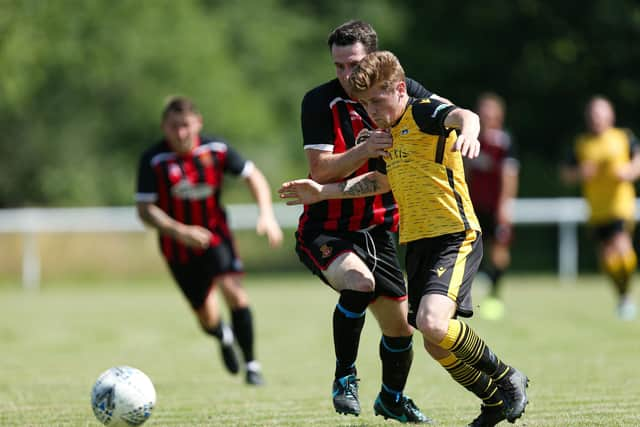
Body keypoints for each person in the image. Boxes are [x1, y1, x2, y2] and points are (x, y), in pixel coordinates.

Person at [280, 51, 530, 427]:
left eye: (378, 101)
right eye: (364, 105)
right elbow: (379, 182)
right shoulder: (385, 134)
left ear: (399, 89)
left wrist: (472, 133)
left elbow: (466, 116)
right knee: (434, 341)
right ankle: (492, 400)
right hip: (417, 243)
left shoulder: (424, 112)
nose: (371, 111)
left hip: (454, 235)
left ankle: (508, 377)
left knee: (431, 323)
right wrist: (322, 192)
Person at [295, 20, 445, 423]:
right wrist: (365, 150)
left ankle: (392, 399)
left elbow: (443, 112)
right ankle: (345, 376)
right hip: (326, 227)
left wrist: (467, 123)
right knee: (359, 284)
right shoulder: (319, 102)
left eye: (353, 64)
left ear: (374, 60)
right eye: (338, 66)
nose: (346, 75)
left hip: (378, 229)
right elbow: (320, 172)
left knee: (401, 332)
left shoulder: (401, 89)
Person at [135, 96, 283, 385]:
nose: (181, 133)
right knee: (206, 318)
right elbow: (145, 210)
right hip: (176, 247)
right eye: (174, 127)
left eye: (186, 126)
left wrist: (266, 214)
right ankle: (222, 335)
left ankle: (252, 365)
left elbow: (254, 177)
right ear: (164, 127)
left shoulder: (216, 150)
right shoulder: (153, 160)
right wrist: (181, 232)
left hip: (217, 237)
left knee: (236, 294)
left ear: (198, 124)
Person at [561, 95, 640, 320]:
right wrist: (579, 173)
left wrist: (630, 171)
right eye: (593, 115)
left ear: (610, 116)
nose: (596, 119)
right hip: (596, 210)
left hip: (620, 206)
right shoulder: (582, 144)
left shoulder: (623, 137)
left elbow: (637, 160)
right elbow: (566, 173)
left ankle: (625, 298)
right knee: (608, 261)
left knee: (623, 252)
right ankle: (624, 297)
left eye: (600, 114)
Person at [465, 93, 519, 320]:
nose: (487, 115)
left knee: (498, 251)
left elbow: (510, 175)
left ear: (499, 114)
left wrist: (505, 206)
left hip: (495, 207)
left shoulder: (504, 142)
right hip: (473, 205)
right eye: (483, 110)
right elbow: (463, 173)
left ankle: (495, 294)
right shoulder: (469, 138)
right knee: (468, 250)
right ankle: (461, 296)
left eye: (491, 110)